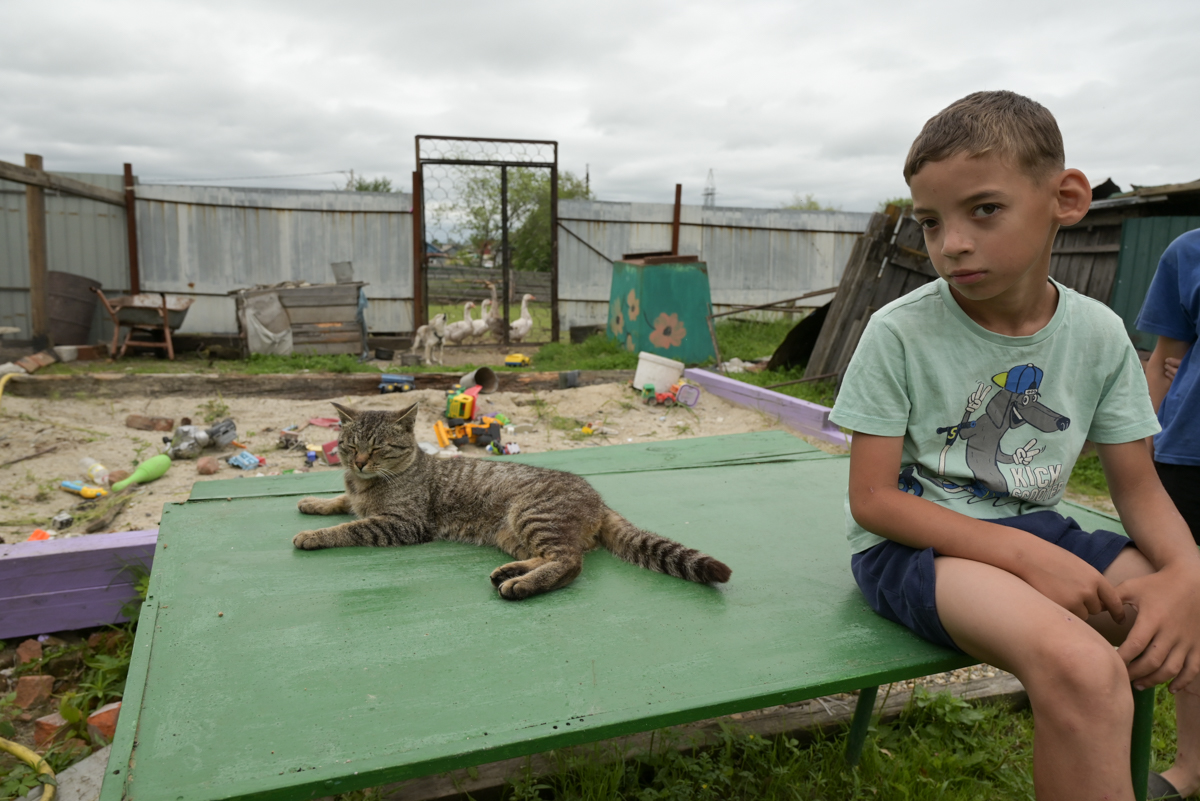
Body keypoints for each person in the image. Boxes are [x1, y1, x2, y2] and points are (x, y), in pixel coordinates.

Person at [829, 90, 1200, 800]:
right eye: (931, 222)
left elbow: (1140, 487)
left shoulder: (1097, 333)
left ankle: (1190, 772)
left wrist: (1186, 572)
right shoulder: (898, 331)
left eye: (984, 210)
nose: (952, 242)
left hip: (1041, 529)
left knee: (1187, 602)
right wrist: (1032, 561)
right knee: (1083, 665)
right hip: (914, 547)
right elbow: (871, 500)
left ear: (1065, 197)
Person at [1137, 228, 1200, 547]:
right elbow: (1165, 362)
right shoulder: (1188, 251)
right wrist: (1143, 447)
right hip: (1185, 456)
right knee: (1175, 580)